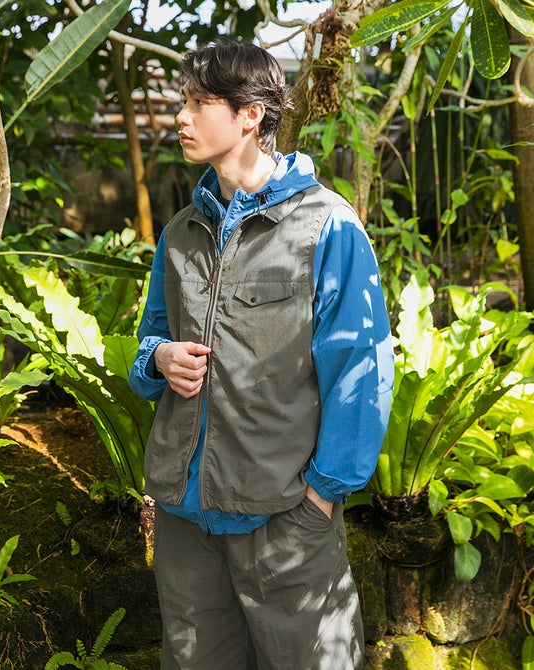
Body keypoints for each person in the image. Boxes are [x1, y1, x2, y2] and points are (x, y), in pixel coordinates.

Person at [129, 40, 394, 670]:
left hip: (285, 518)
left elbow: (361, 371)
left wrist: (322, 499)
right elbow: (148, 342)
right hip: (185, 520)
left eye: (199, 102)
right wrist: (160, 358)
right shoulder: (180, 233)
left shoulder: (326, 226)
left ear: (250, 115)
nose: (181, 117)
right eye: (184, 101)